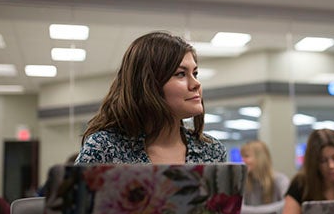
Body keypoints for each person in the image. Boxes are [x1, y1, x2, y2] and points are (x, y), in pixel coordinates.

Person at [75, 31, 226, 164]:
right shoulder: (105, 148)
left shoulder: (212, 152)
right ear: (149, 84)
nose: (196, 84)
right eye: (180, 74)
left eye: (195, 73)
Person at [238, 140, 289, 214]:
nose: (243, 161)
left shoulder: (280, 180)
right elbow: (238, 208)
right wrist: (272, 212)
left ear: (259, 158)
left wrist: (254, 212)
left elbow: (288, 205)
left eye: (247, 156)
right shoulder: (242, 182)